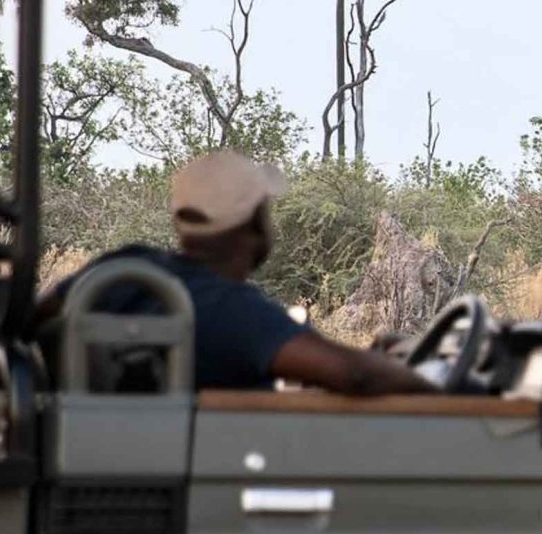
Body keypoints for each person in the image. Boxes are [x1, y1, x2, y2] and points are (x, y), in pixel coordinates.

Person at [42, 151, 435, 394]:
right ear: (253, 224)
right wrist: (433, 383)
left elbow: (35, 321)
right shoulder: (234, 310)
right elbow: (353, 376)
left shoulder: (120, 268)